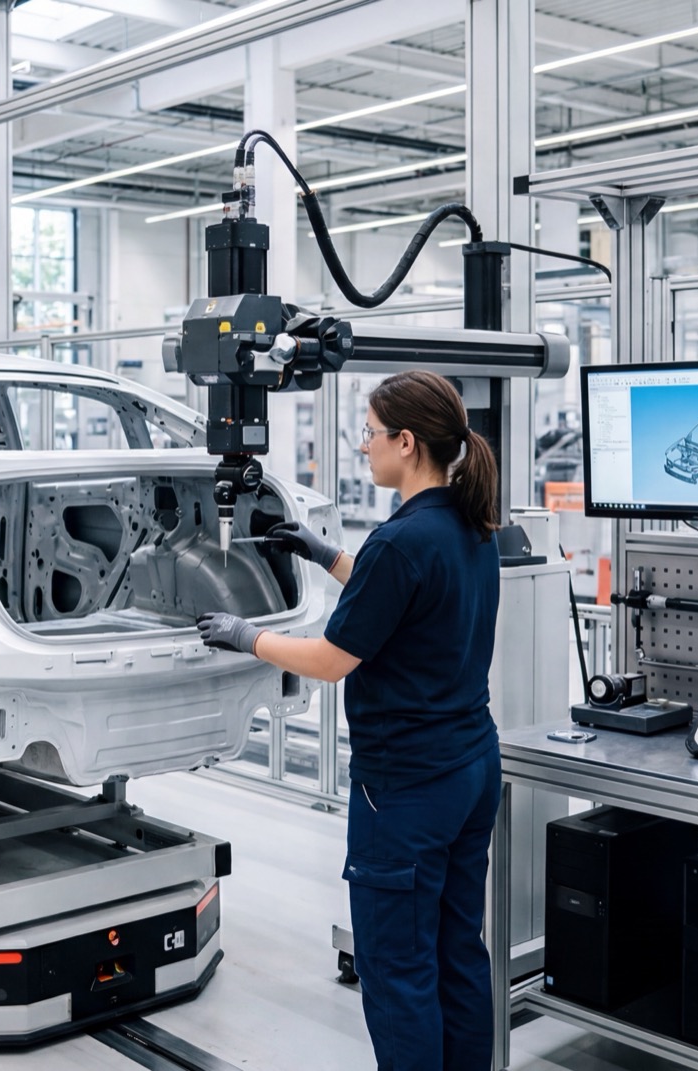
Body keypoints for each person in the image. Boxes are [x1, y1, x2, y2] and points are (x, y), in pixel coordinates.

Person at [196, 370, 504, 1071]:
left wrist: (247, 636)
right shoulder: (470, 520)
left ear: (405, 441)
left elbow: (334, 658)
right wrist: (322, 552)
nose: (363, 447)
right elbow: (401, 594)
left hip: (406, 788)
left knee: (397, 970)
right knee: (458, 950)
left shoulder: (403, 541)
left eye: (368, 434)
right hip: (469, 768)